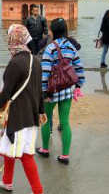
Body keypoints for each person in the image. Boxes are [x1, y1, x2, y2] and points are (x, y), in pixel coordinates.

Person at [0, 24, 46, 194]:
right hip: (29, 113)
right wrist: (41, 111)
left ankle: (38, 193)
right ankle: (7, 182)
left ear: (12, 39)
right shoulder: (35, 60)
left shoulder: (15, 63)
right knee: (8, 147)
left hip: (18, 115)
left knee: (25, 155)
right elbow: (39, 90)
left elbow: (5, 94)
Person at [37, 18, 86, 165]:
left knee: (46, 120)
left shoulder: (50, 48)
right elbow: (79, 68)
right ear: (66, 30)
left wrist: (44, 91)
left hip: (51, 91)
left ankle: (45, 150)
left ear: (52, 31)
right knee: (65, 122)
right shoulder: (71, 47)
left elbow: (45, 71)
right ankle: (65, 155)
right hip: (67, 91)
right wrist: (78, 85)